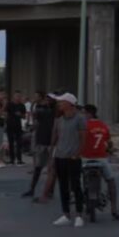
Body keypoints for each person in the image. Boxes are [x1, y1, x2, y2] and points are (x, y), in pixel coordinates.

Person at [51, 93, 86, 228]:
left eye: (62, 102)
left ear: (70, 104)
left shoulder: (80, 119)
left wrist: (77, 154)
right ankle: (66, 214)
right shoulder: (60, 120)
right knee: (63, 186)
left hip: (73, 157)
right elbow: (57, 138)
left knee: (76, 186)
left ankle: (79, 215)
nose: (59, 104)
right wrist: (53, 156)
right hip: (60, 156)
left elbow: (83, 138)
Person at [82, 104, 119, 220]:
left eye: (84, 113)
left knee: (75, 180)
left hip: (85, 158)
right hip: (101, 158)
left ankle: (79, 203)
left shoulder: (83, 125)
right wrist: (110, 149)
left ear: (89, 113)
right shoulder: (103, 125)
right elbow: (109, 142)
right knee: (111, 182)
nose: (82, 115)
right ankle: (114, 209)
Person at [22, 91, 54, 197]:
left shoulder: (55, 111)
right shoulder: (42, 109)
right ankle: (33, 189)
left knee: (51, 169)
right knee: (38, 167)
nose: (48, 101)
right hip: (42, 140)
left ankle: (49, 191)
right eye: (47, 99)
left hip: (51, 143)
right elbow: (35, 114)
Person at [5, 90, 27, 166]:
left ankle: (19, 159)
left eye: (19, 96)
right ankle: (12, 160)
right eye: (16, 96)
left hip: (18, 126)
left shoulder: (22, 106)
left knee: (19, 143)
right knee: (10, 143)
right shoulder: (9, 104)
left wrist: (20, 114)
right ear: (13, 97)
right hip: (10, 126)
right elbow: (6, 114)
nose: (18, 97)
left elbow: (24, 116)